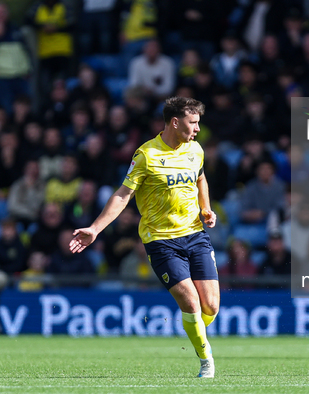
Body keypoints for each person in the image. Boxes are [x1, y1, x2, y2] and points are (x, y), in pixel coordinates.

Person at [69, 97, 219, 377]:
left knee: (210, 306)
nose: (198, 128)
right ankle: (206, 359)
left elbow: (200, 178)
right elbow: (123, 195)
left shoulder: (195, 150)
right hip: (161, 241)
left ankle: (192, 325)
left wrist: (205, 208)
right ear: (175, 122)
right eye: (193, 122)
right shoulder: (146, 155)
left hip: (195, 234)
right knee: (190, 302)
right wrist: (95, 229)